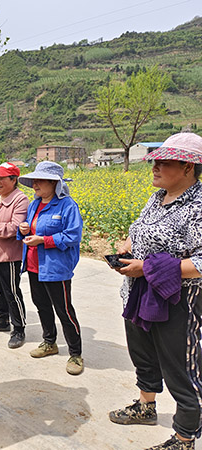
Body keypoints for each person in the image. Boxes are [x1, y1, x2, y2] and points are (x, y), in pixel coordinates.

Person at [108, 132, 202, 450]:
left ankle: (184, 437)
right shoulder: (158, 196)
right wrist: (127, 246)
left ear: (188, 168)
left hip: (178, 301)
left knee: (181, 368)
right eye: (154, 161)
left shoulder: (198, 206)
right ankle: (146, 406)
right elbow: (140, 229)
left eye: (163, 162)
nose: (154, 167)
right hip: (139, 294)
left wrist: (147, 268)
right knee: (144, 355)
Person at [17, 161, 84, 375]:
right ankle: (49, 342)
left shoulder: (67, 206)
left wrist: (44, 240)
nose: (35, 184)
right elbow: (29, 233)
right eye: (34, 180)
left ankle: (75, 353)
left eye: (40, 180)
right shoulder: (34, 205)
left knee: (64, 310)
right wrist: (23, 230)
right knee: (42, 306)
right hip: (35, 266)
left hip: (56, 268)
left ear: (54, 184)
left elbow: (73, 236)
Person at [0, 162, 29, 350]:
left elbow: (15, 227)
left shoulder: (20, 199)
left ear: (14, 179)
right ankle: (2, 319)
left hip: (8, 255)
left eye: (2, 177)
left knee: (11, 291)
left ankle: (19, 328)